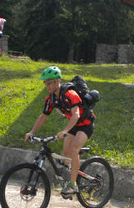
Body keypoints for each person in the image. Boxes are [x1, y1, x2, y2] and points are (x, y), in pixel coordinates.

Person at [25, 66, 95, 197]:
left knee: (74, 149)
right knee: (66, 154)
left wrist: (64, 131)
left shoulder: (70, 94)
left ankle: (73, 185)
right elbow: (44, 115)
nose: (47, 85)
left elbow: (76, 115)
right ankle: (75, 170)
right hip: (74, 126)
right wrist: (32, 132)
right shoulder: (51, 98)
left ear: (57, 81)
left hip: (85, 124)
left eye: (49, 82)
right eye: (45, 82)